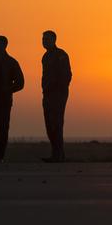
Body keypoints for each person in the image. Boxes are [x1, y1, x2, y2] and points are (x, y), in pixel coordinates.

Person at [0, 35, 24, 163]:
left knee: (3, 130)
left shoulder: (11, 62)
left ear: (3, 45)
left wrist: (7, 90)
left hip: (4, 102)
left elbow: (20, 83)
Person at [40, 29, 71, 163]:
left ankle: (58, 155)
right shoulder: (45, 56)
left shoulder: (61, 55)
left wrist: (58, 89)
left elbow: (67, 75)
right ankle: (56, 154)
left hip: (58, 95)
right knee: (49, 124)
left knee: (56, 124)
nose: (44, 41)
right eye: (43, 39)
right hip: (47, 94)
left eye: (47, 39)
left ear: (54, 40)